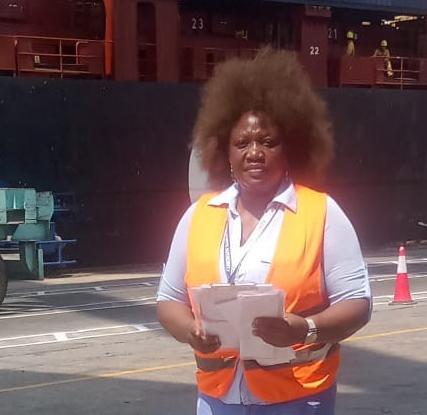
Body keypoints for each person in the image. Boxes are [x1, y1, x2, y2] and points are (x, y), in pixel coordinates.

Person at [158, 48, 373, 414]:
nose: (254, 152)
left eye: (268, 142)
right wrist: (189, 330)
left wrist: (304, 329)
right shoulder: (198, 216)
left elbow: (358, 304)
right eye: (242, 143)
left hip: (298, 399)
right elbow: (168, 300)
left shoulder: (322, 213)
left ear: (290, 148)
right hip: (218, 398)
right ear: (225, 151)